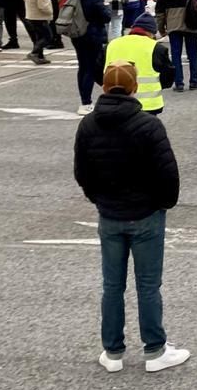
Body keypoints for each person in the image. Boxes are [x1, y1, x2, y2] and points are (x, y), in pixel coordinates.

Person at [73, 60, 190, 374]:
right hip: (145, 212)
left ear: (104, 86)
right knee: (148, 286)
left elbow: (82, 172)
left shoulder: (88, 125)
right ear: (134, 86)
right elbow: (168, 173)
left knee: (112, 286)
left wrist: (98, 199)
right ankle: (154, 349)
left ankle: (112, 351)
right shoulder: (148, 125)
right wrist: (163, 203)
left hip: (109, 212)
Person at [104, 15, 175, 115]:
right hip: (149, 105)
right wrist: (158, 86)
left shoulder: (112, 45)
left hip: (115, 102)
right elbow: (168, 75)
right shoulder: (156, 48)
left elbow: (98, 70)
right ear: (150, 32)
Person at [154, 0, 197, 93]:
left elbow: (159, 13)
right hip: (191, 23)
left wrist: (161, 29)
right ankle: (194, 81)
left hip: (173, 26)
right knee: (192, 53)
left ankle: (179, 82)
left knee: (175, 54)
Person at [69, 0, 111, 116]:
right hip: (92, 34)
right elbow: (106, 17)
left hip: (77, 34)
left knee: (83, 67)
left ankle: (85, 100)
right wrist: (107, 8)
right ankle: (86, 102)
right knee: (91, 68)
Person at [23, 0, 54, 65]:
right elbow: (43, 6)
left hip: (30, 17)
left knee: (39, 37)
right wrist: (50, 12)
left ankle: (40, 56)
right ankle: (34, 53)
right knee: (47, 37)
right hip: (39, 18)